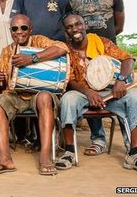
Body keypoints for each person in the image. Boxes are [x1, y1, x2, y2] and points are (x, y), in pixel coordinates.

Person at [0, 14, 68, 175]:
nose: (19, 32)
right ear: (10, 31)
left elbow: (63, 48)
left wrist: (32, 58)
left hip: (39, 94)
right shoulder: (7, 51)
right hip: (15, 95)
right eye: (14, 28)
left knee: (44, 97)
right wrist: (1, 81)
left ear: (30, 29)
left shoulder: (40, 41)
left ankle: (45, 156)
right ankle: (5, 158)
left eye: (23, 28)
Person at [55, 13, 137, 171]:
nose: (75, 29)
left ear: (85, 25)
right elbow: (69, 80)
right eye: (70, 27)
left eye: (78, 24)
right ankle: (69, 152)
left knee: (134, 97)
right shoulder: (65, 51)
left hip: (109, 91)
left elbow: (127, 59)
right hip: (82, 93)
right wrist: (88, 92)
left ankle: (134, 153)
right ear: (66, 32)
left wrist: (120, 80)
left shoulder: (101, 42)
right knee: (68, 99)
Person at [70, 0, 126, 156]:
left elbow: (119, 26)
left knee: (120, 92)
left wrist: (103, 42)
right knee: (91, 92)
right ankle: (98, 139)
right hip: (85, 53)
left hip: (108, 51)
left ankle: (130, 143)